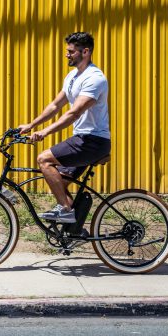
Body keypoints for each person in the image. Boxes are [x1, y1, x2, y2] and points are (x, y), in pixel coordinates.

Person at [17, 32, 111, 223]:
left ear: (85, 52)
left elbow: (73, 113)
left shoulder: (94, 78)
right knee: (59, 182)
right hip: (82, 139)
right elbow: (55, 106)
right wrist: (31, 125)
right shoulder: (72, 77)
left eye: (71, 51)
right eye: (67, 51)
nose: (67, 55)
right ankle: (73, 229)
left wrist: (44, 132)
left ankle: (66, 210)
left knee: (44, 160)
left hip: (92, 140)